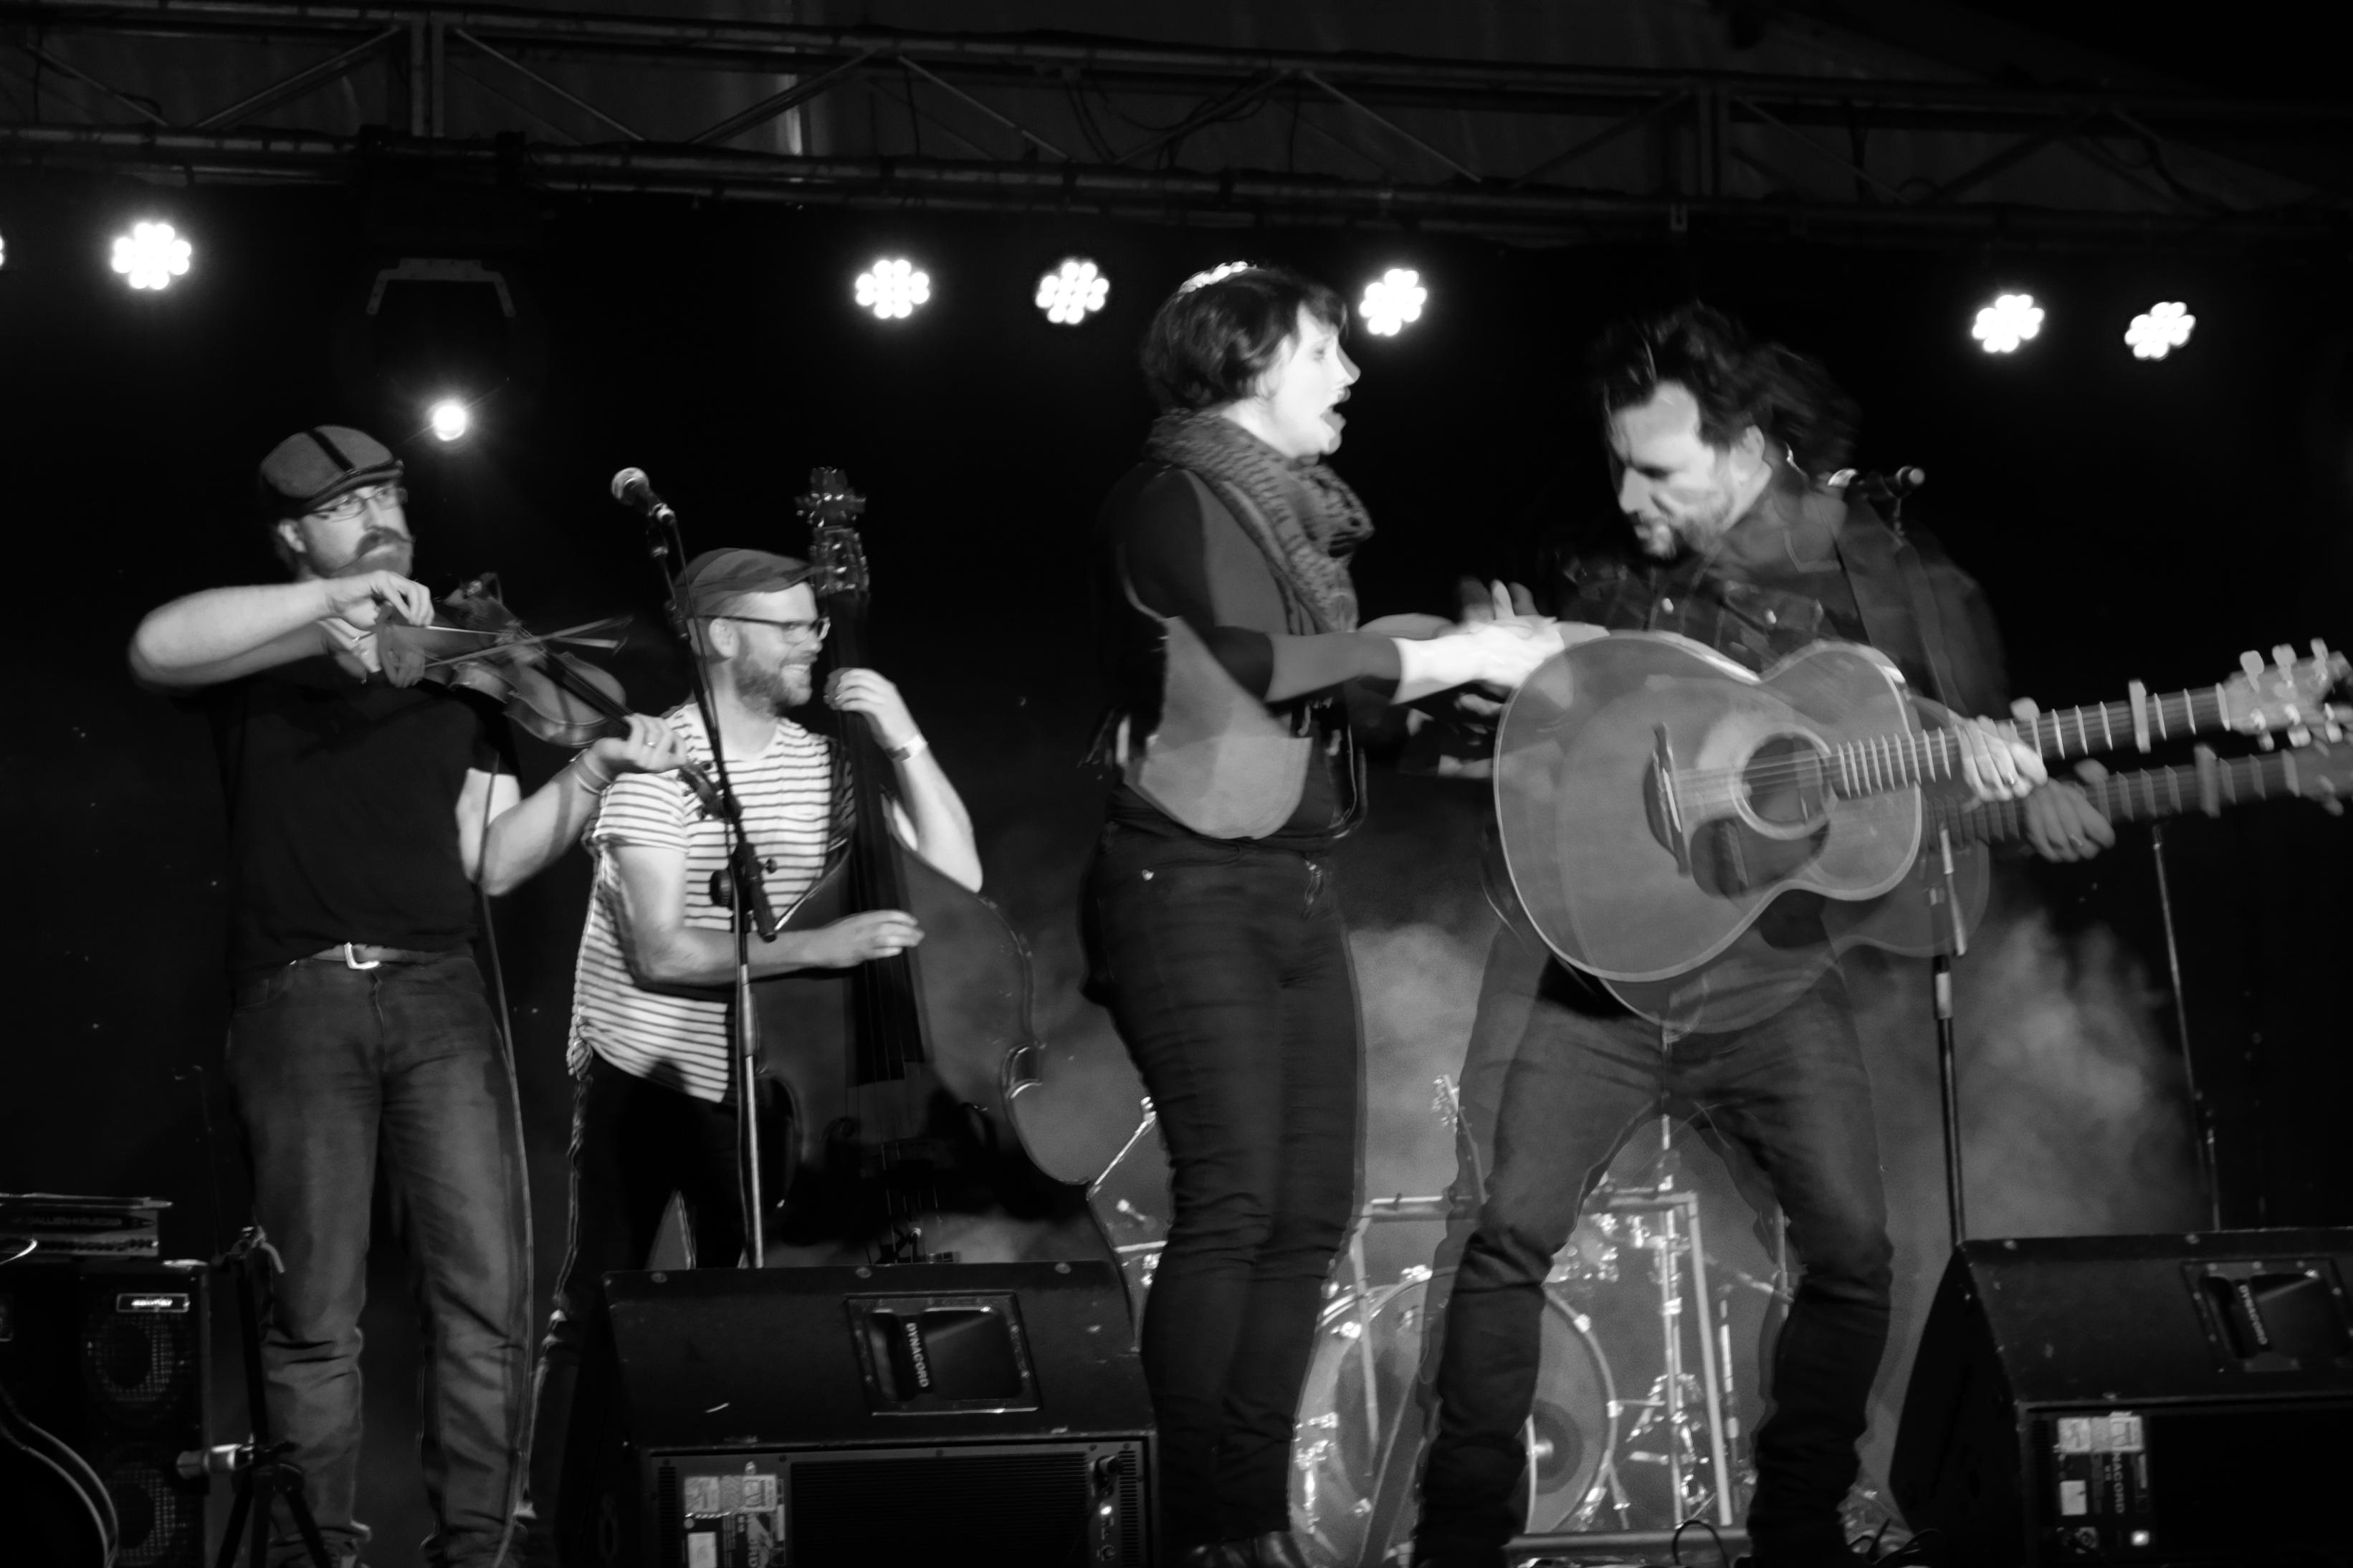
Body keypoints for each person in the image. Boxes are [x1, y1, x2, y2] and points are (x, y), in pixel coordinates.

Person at [1409, 305, 2114, 1568]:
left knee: (1854, 1253)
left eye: (1658, 469)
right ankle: (1460, 1540)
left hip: (1772, 978)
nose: (1628, 495)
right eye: (1620, 463)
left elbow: (1910, 769)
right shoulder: (1606, 557)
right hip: (1596, 973)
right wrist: (1491, 694)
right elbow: (1530, 724)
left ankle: (1799, 1528)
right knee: (1506, 1238)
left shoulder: (1873, 572)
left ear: (1747, 448)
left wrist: (1994, 767)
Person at [127, 425, 681, 1568]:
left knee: (484, 1298)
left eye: (388, 495)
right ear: (295, 538)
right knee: (313, 1311)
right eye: (345, 506)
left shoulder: (453, 670)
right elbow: (155, 645)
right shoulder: (261, 650)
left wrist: (589, 770)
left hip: (441, 996)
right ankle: (312, 1554)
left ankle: (479, 1552)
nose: (379, 515)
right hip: (300, 998)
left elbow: (492, 860)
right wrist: (336, 600)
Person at [1080, 263, 1563, 1568]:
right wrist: (1448, 655)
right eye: (1323, 350)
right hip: (1181, 883)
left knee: (1309, 1212)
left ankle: (1250, 1519)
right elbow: (1246, 665)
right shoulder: (1170, 495)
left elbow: (1345, 712)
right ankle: (1191, 1528)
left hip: (1287, 882)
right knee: (1236, 1201)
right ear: (1246, 362)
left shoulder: (1291, 529)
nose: (1350, 375)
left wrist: (1476, 688)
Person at [519, 546, 983, 1564]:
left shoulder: (829, 766)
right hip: (646, 1070)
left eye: (818, 622)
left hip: (770, 1083)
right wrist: (821, 946)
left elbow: (958, 877)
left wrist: (903, 737)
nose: (817, 640)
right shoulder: (657, 764)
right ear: (724, 635)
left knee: (755, 1313)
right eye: (795, 625)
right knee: (596, 1307)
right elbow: (661, 951)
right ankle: (545, 1536)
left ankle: (732, 1538)